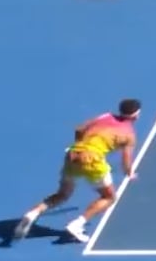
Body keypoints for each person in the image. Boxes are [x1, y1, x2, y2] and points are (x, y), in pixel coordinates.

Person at [13, 98, 141, 244]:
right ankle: (77, 224)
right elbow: (126, 160)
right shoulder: (129, 135)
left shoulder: (105, 116)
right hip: (93, 161)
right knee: (109, 197)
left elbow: (79, 129)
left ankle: (32, 213)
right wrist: (129, 173)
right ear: (136, 115)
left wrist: (80, 146)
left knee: (62, 195)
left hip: (72, 156)